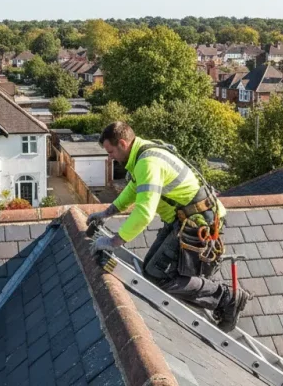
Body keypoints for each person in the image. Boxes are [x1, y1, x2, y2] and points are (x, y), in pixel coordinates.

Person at [87, 121, 251, 331]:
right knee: (150, 270)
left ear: (122, 143)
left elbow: (145, 213)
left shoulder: (147, 162)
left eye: (111, 152)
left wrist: (113, 241)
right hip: (183, 220)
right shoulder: (143, 154)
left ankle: (226, 298)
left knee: (158, 275)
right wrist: (107, 213)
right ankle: (219, 298)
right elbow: (134, 188)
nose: (110, 158)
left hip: (197, 222)